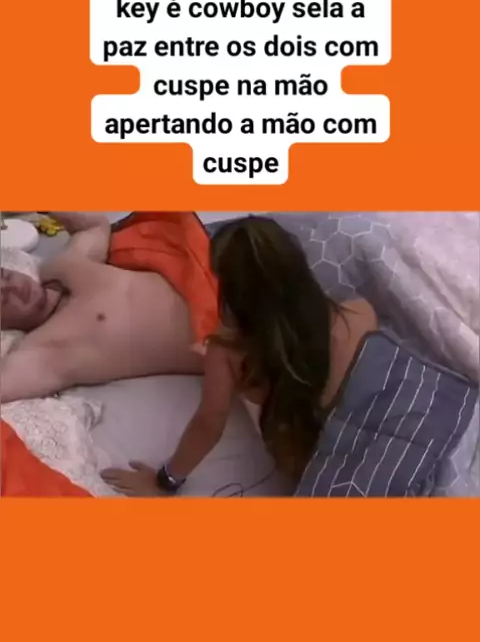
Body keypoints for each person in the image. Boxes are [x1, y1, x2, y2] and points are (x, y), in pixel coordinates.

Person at [102, 216, 378, 496]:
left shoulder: (228, 351)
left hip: (321, 474)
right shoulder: (359, 314)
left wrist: (165, 482)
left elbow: (209, 423)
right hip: (382, 447)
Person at [1, 212, 205, 404]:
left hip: (208, 273)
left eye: (5, 275)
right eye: (2, 297)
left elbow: (94, 226)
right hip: (217, 330)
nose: (15, 287)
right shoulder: (45, 348)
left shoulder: (58, 267)